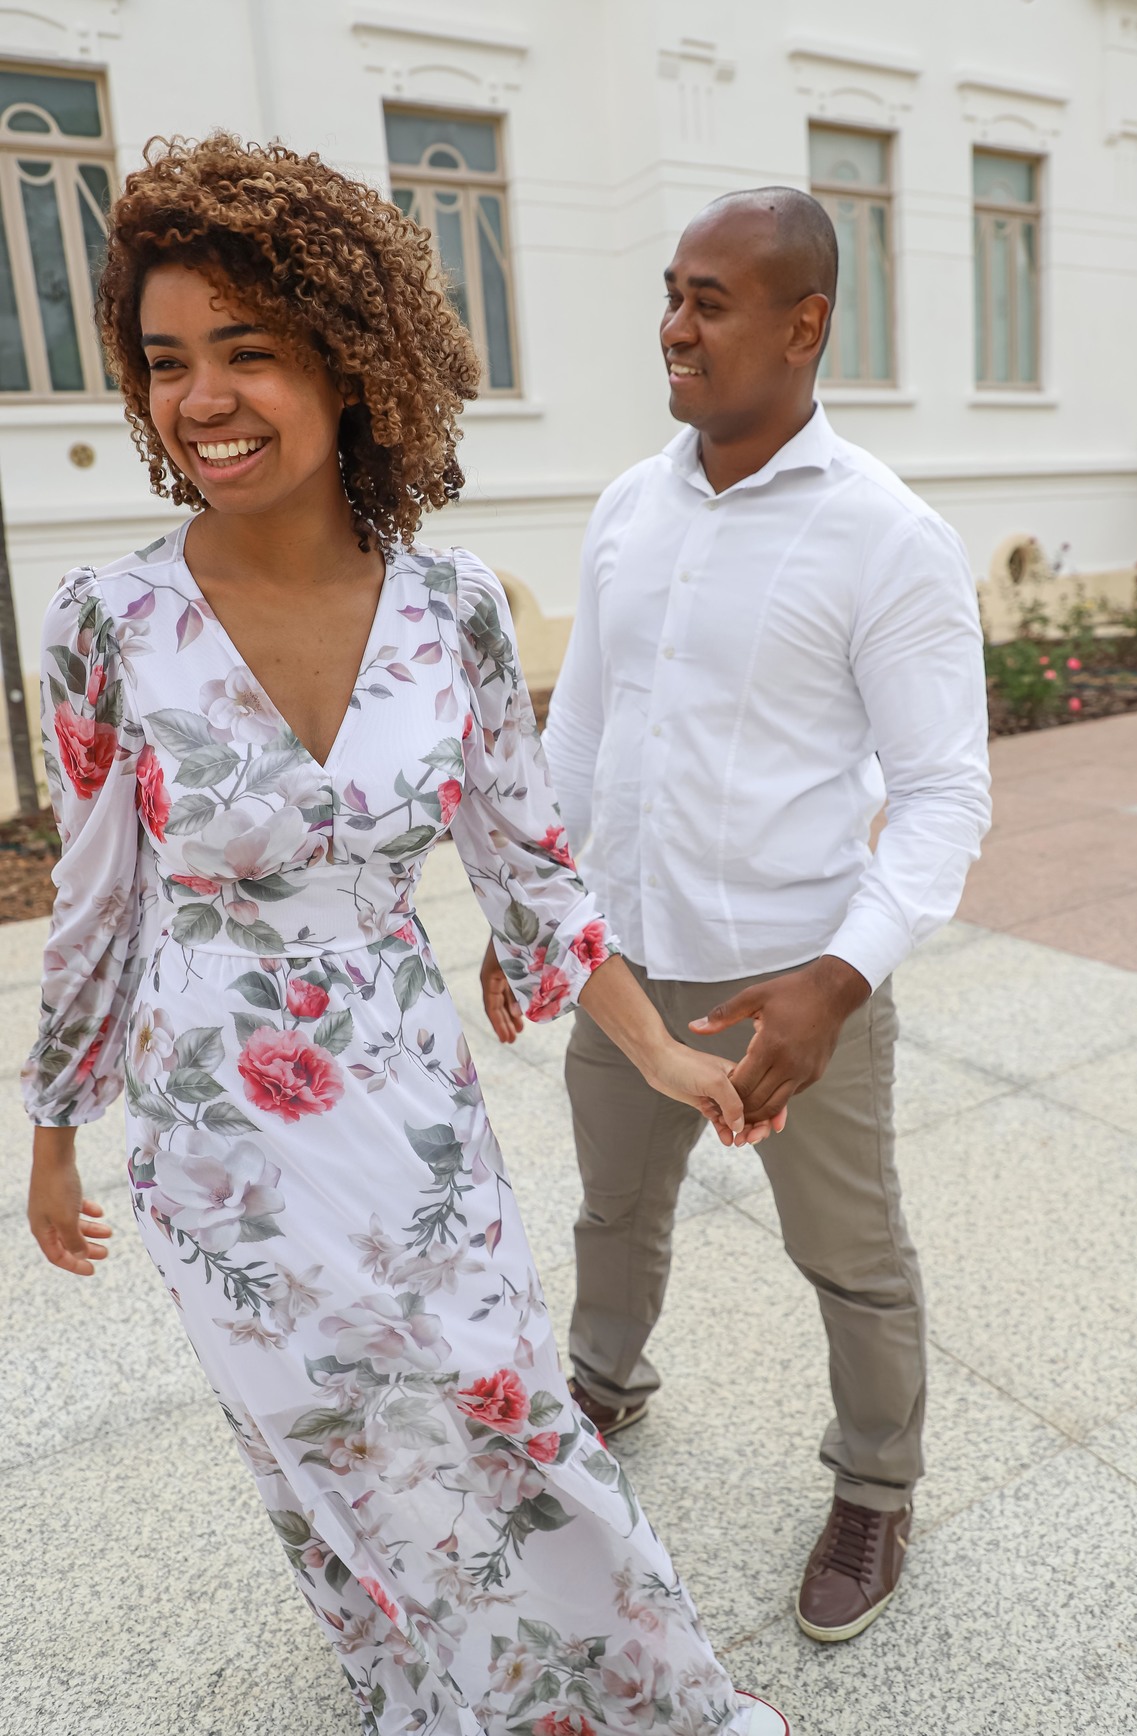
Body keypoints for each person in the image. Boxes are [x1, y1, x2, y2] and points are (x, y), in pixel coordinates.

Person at [22, 137, 790, 1736]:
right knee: (331, 1456)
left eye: (247, 349)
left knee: (507, 1415)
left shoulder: (457, 612)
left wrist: (660, 1050)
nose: (202, 399)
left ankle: (658, 1703)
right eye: (165, 361)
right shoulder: (107, 624)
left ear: (347, 359)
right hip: (217, 1147)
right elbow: (94, 901)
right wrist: (54, 1137)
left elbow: (531, 868)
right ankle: (438, 1693)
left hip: (411, 1111)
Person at [481, 187, 992, 1645]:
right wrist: (534, 912)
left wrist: (841, 979)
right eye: (671, 293)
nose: (674, 326)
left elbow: (945, 795)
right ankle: (605, 1384)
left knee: (851, 1256)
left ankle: (877, 1487)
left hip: (793, 983)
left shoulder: (885, 536)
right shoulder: (628, 507)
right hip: (624, 961)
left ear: (804, 323)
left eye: (709, 300)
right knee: (613, 1210)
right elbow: (580, 732)